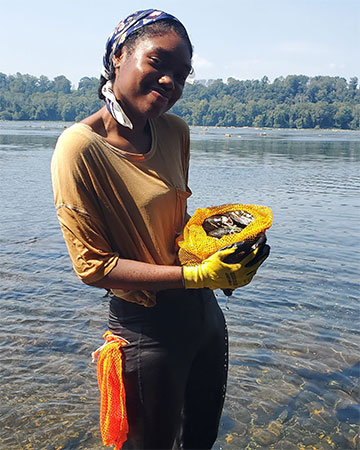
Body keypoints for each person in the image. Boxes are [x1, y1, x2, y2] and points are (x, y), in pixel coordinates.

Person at [51, 9, 269, 450]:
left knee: (200, 440)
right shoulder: (80, 148)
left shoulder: (174, 131)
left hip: (205, 320)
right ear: (119, 57)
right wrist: (193, 275)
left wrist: (223, 255)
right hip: (145, 331)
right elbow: (93, 267)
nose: (171, 81)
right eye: (158, 63)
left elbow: (175, 227)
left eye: (182, 74)